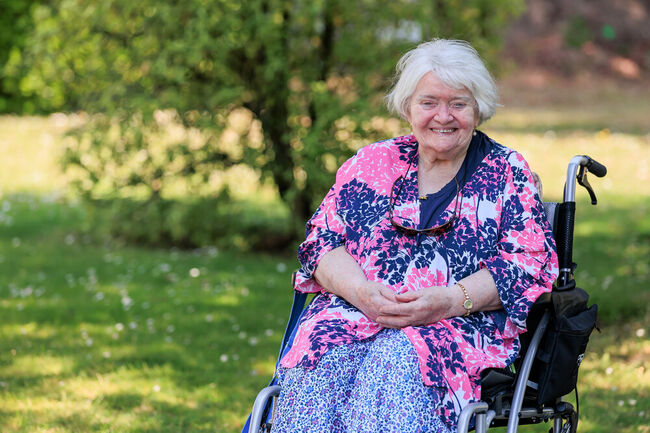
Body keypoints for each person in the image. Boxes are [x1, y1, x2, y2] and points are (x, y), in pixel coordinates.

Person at [271, 39, 558, 433]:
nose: (443, 116)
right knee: (319, 355)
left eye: (458, 103)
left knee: (397, 360)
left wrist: (446, 301)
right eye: (428, 103)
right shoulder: (371, 163)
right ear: (408, 107)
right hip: (354, 312)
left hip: (455, 324)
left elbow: (525, 265)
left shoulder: (507, 172)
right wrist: (362, 294)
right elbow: (321, 243)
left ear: (478, 109)